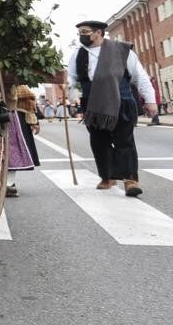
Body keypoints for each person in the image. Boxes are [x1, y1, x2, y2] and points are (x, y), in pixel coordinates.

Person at [67, 20, 157, 197]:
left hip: (121, 102)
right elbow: (71, 78)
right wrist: (70, 95)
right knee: (99, 142)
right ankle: (107, 177)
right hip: (93, 106)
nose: (81, 36)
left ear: (98, 32)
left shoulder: (122, 50)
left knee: (124, 141)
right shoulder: (77, 54)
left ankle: (130, 179)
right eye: (79, 33)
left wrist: (150, 100)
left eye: (85, 31)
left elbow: (140, 77)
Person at [5, 85, 41, 197]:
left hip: (12, 114)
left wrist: (33, 119)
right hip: (6, 114)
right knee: (11, 150)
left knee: (12, 150)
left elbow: (28, 99)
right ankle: (8, 183)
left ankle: (9, 183)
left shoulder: (20, 88)